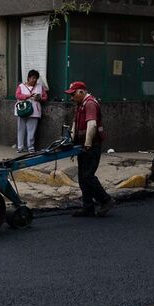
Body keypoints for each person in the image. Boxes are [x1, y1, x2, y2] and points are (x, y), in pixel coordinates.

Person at [66, 81, 114, 217]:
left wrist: (87, 143)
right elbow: (75, 124)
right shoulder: (80, 105)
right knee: (82, 177)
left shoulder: (90, 104)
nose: (71, 98)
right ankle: (88, 206)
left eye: (73, 94)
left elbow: (92, 125)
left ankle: (106, 200)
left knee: (88, 176)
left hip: (92, 146)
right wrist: (71, 142)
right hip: (81, 146)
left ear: (81, 92)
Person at [14, 69, 48, 153]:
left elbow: (45, 97)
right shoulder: (21, 86)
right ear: (28, 78)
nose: (34, 80)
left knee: (31, 130)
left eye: (36, 78)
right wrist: (28, 96)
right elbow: (17, 95)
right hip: (22, 110)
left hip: (34, 111)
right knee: (21, 129)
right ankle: (20, 147)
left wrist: (40, 98)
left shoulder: (40, 87)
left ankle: (31, 148)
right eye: (33, 78)